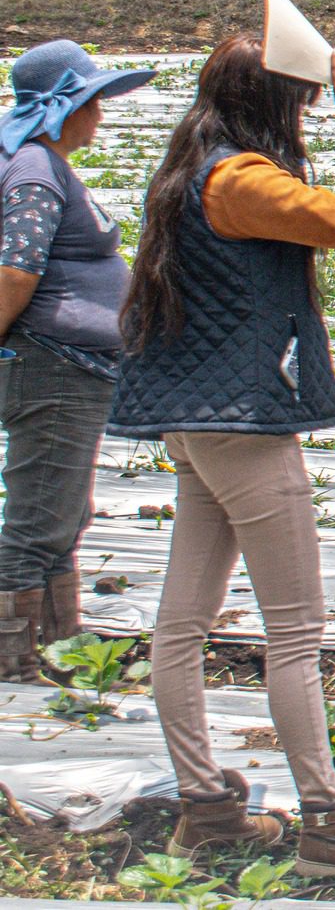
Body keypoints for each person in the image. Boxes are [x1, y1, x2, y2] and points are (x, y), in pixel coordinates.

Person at [108, 37, 335, 880]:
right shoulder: (241, 180)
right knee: (295, 630)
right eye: (302, 102)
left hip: (197, 418)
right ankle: (327, 821)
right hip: (241, 425)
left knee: (181, 622)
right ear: (270, 104)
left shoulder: (195, 166)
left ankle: (205, 805)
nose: (309, 115)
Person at [0, 42, 155, 680]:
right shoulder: (35, 169)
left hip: (72, 369)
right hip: (51, 367)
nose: (103, 114)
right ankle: (15, 662)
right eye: (95, 101)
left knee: (61, 511)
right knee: (41, 515)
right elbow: (16, 269)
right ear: (65, 108)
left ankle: (62, 649)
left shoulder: (44, 163)